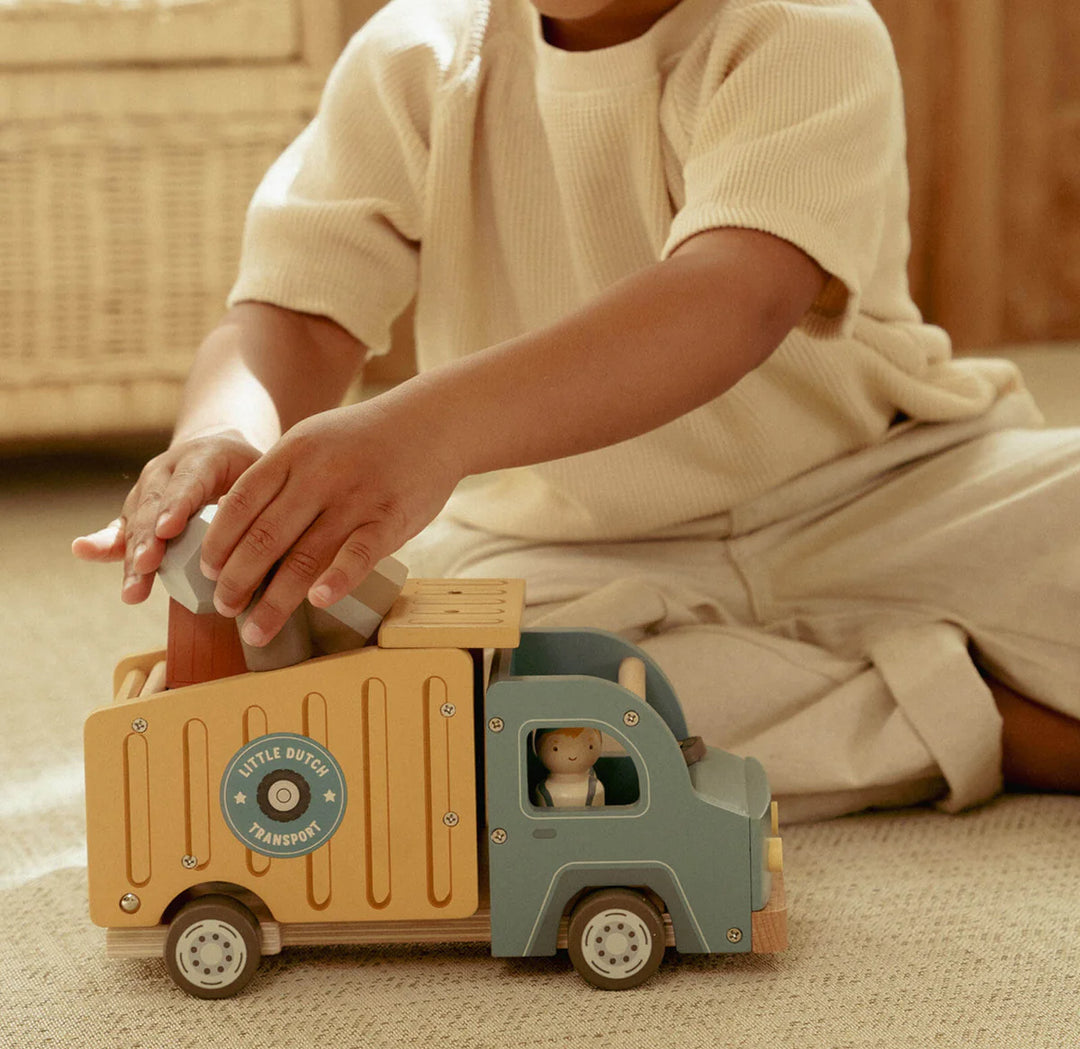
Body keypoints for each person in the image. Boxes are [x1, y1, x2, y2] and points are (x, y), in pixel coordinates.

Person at [73, 0, 1080, 821]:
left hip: (883, 491)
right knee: (425, 723)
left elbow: (733, 297)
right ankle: (980, 717)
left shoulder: (803, 29)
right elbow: (293, 314)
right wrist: (225, 437)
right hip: (560, 546)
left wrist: (428, 428)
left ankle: (859, 690)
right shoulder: (413, 57)